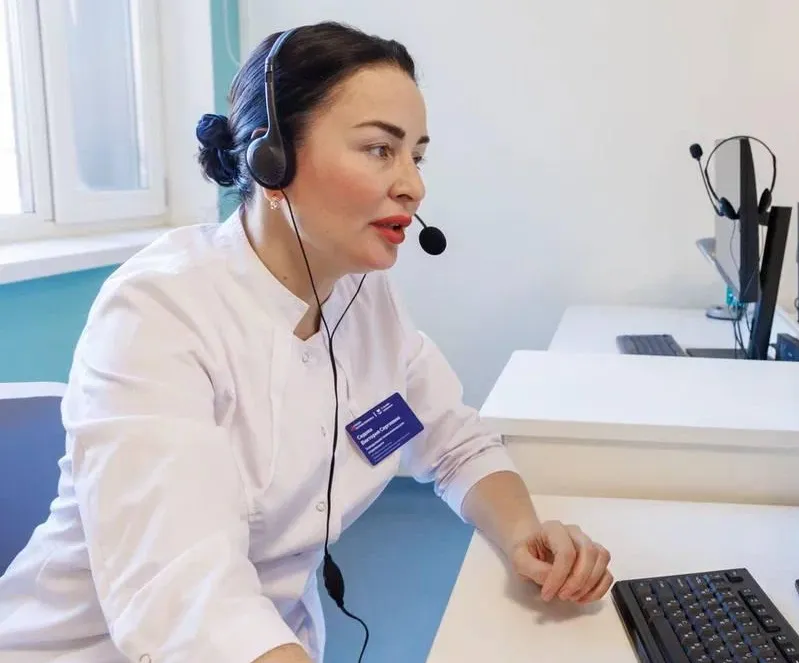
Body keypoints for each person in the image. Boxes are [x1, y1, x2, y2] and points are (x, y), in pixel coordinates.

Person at [0, 23, 613, 663]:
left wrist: (524, 534)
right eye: (379, 149)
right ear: (273, 160)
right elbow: (184, 593)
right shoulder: (157, 311)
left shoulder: (363, 295)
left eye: (417, 156)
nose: (413, 185)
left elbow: (455, 441)